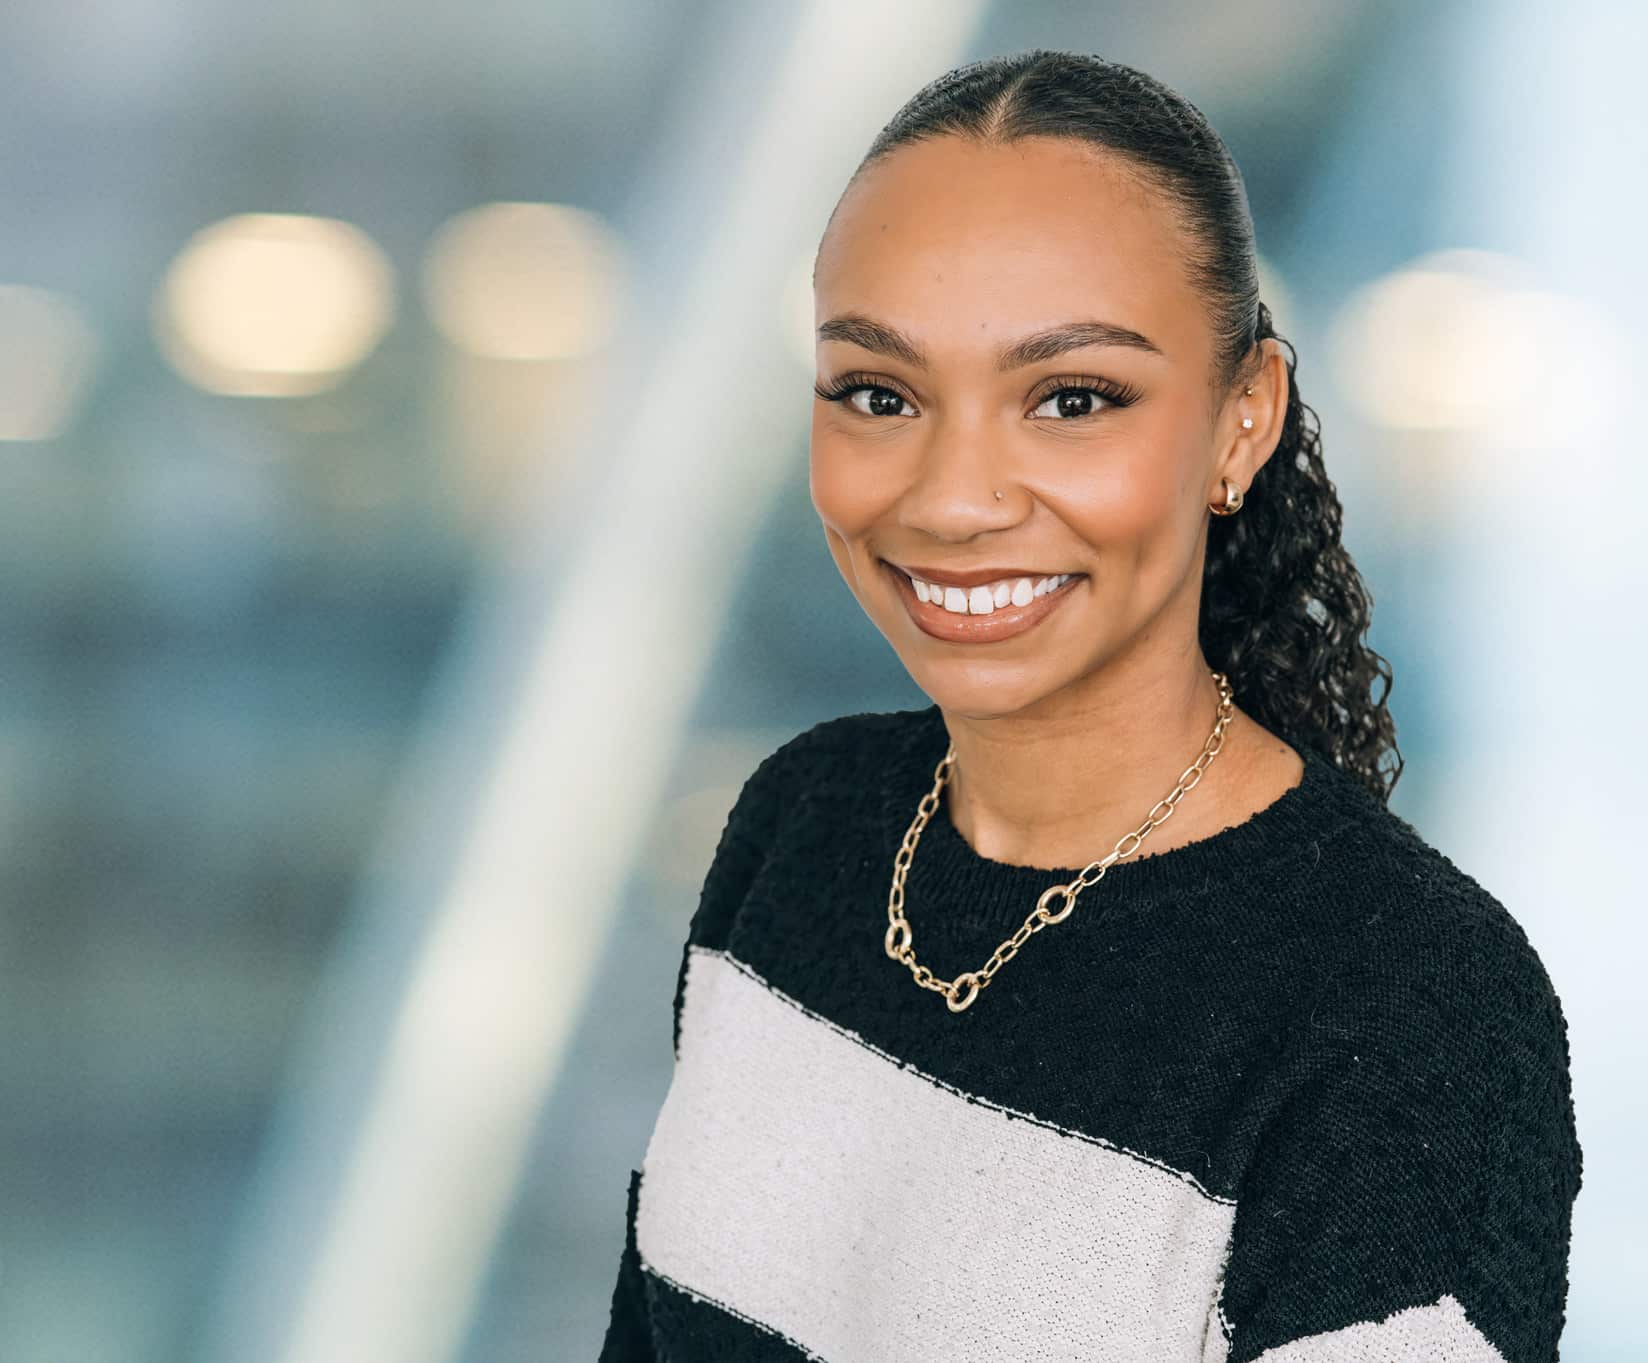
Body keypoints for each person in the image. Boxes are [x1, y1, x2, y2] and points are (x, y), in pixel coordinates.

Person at [599, 49, 1582, 1363]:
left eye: (1072, 400)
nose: (952, 498)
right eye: (879, 394)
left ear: (1243, 423)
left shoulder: (1408, 1005)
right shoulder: (805, 826)